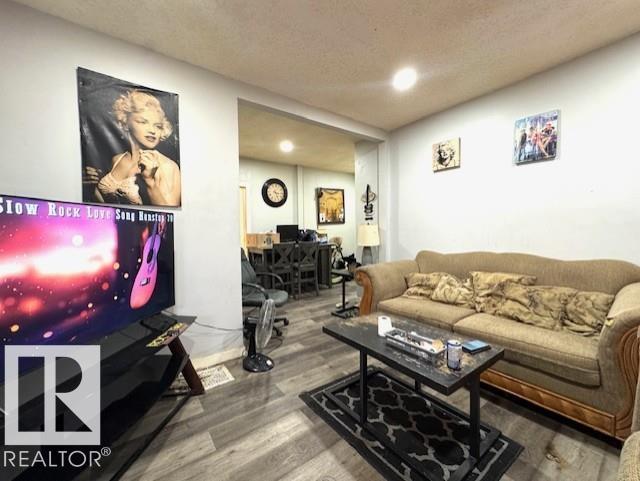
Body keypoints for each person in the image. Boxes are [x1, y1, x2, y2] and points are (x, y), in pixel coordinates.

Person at [92, 90, 181, 206]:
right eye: (143, 122)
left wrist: (150, 182)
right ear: (124, 123)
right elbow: (108, 205)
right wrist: (92, 187)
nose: (152, 131)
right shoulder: (117, 159)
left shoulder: (167, 166)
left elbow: (168, 215)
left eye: (158, 126)